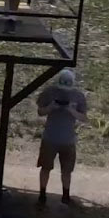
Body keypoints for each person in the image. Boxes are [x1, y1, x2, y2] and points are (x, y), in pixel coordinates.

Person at [36, 69, 87, 208]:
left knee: (67, 170)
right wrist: (51, 107)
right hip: (50, 137)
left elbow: (84, 118)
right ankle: (42, 195)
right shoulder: (49, 92)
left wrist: (72, 110)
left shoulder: (79, 96)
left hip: (68, 139)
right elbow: (40, 111)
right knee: (45, 167)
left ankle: (66, 196)